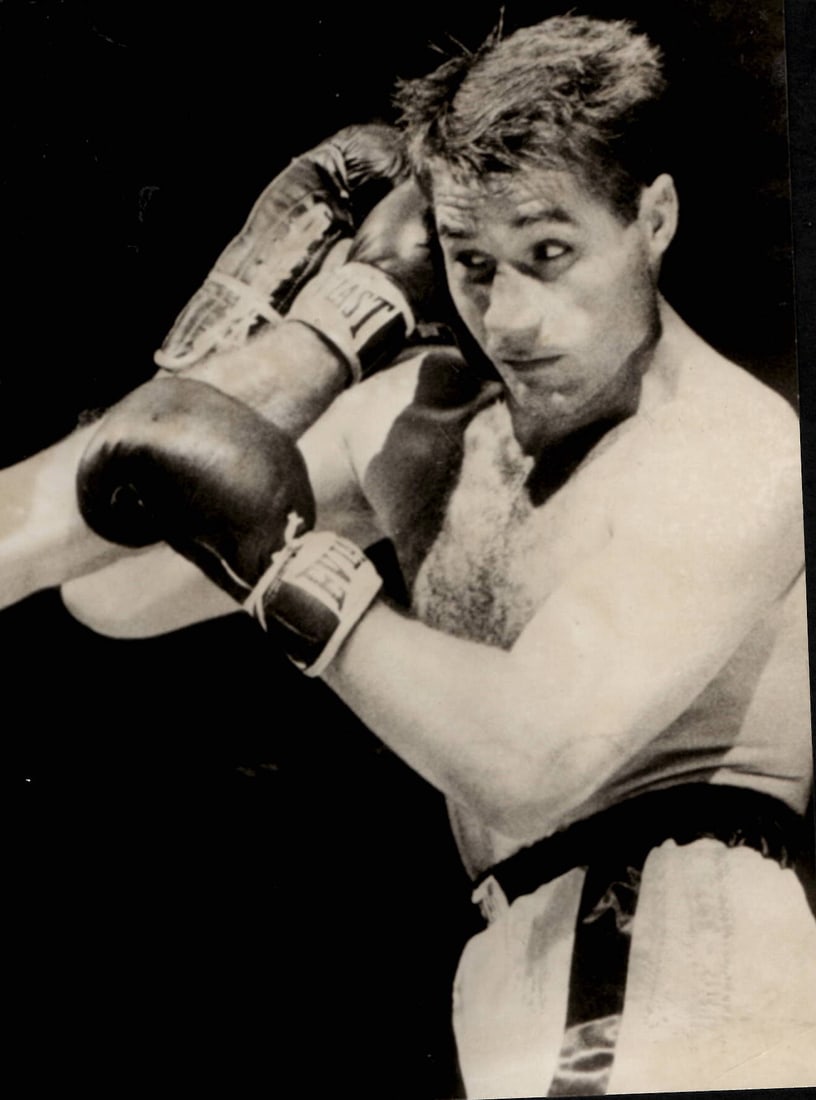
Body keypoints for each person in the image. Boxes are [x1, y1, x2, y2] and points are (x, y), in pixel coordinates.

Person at [8, 13, 816, 1097]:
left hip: (679, 936)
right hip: (518, 955)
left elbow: (528, 762)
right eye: (472, 263)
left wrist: (289, 572)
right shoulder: (420, 425)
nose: (509, 314)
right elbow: (110, 590)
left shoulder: (731, 448)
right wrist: (284, 333)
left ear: (653, 217)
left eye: (550, 252)